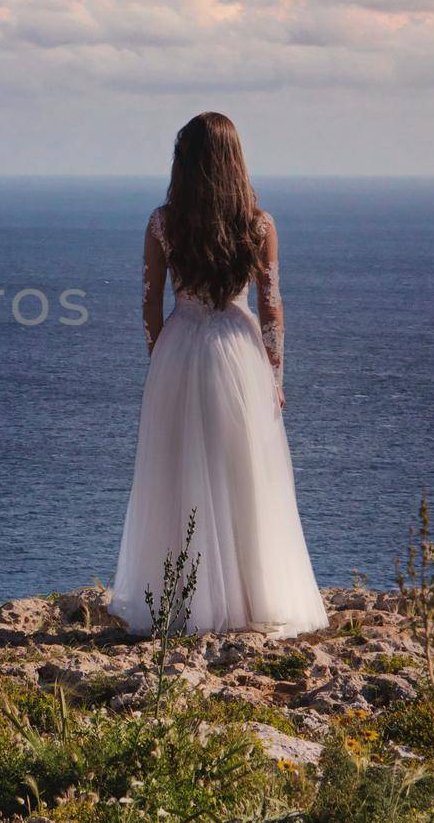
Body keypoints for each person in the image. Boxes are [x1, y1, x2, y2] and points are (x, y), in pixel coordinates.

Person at [108, 112, 328, 638]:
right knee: (244, 472)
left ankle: (184, 601)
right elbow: (272, 309)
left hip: (180, 349)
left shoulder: (163, 224)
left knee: (178, 475)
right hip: (239, 352)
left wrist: (160, 359)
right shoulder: (258, 224)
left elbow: (148, 306)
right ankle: (252, 599)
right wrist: (275, 377)